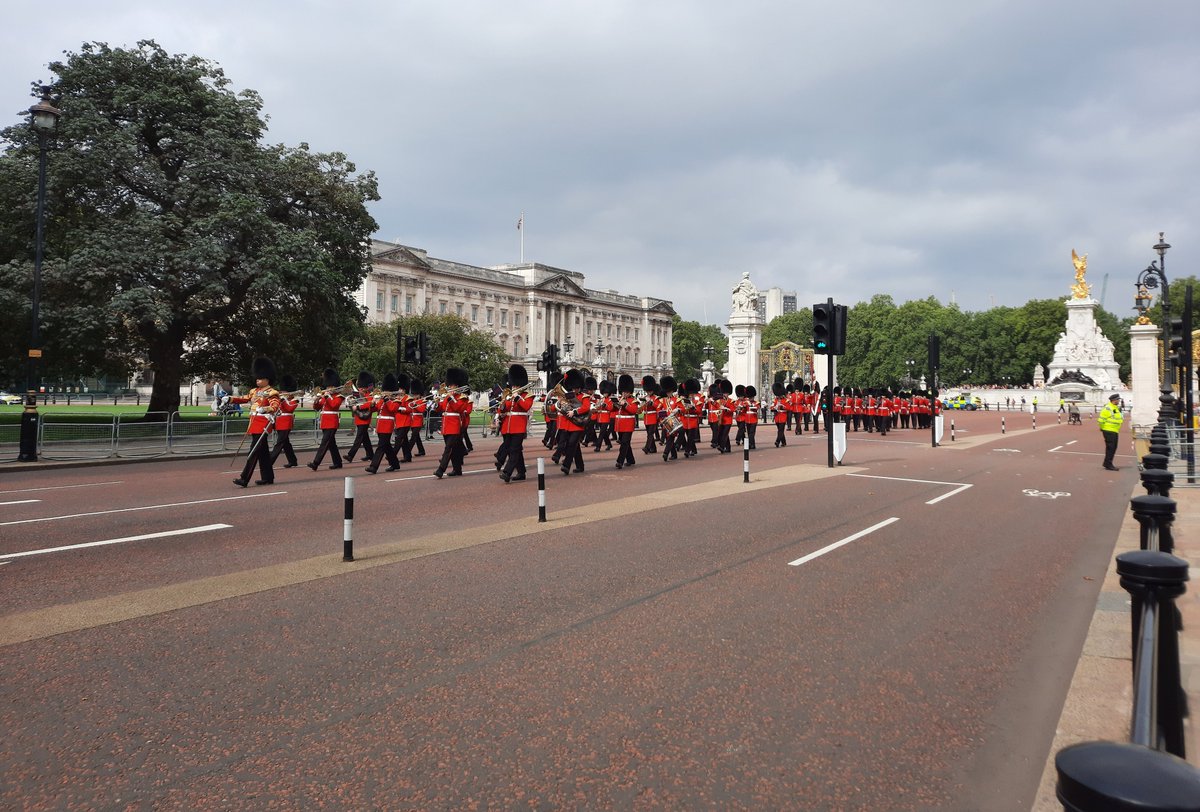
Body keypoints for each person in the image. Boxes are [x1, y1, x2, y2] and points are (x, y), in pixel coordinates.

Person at [230, 357, 281, 487]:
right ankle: (268, 477)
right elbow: (244, 399)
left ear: (267, 378)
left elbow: (275, 407)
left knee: (253, 452)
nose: (257, 379)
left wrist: (264, 409)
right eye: (257, 377)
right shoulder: (254, 391)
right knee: (263, 453)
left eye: (260, 377)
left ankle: (244, 478)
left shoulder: (272, 392)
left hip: (263, 425)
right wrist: (229, 399)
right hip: (254, 423)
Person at [497, 364, 534, 483]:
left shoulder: (527, 395)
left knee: (514, 450)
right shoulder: (509, 395)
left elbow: (526, 407)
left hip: (519, 426)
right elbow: (503, 409)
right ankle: (521, 472)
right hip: (507, 426)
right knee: (514, 450)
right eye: (513, 384)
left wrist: (517, 397)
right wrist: (502, 405)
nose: (514, 387)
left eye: (516, 384)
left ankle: (507, 472)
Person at [433, 368, 472, 479]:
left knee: (448, 449)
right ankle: (457, 469)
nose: (450, 387)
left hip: (454, 425)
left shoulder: (462, 397)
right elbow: (441, 408)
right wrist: (436, 403)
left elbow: (458, 408)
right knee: (453, 449)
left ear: (458, 386)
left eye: (452, 386)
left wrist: (451, 398)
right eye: (450, 385)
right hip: (446, 425)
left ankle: (441, 469)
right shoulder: (448, 397)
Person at [308, 368, 346, 470]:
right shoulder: (325, 396)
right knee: (331, 444)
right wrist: (316, 400)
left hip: (332, 422)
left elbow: (334, 405)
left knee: (324, 443)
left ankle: (315, 463)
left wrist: (328, 396)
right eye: (328, 386)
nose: (329, 388)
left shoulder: (339, 396)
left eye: (331, 386)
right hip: (324, 422)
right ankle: (338, 462)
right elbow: (317, 408)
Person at [365, 373, 403, 474]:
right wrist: (372, 404)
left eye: (386, 391)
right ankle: (395, 464)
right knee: (387, 447)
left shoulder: (396, 401)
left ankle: (373, 466)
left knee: (381, 446)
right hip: (380, 425)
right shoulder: (382, 400)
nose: (384, 392)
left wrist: (386, 400)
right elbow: (375, 409)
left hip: (387, 425)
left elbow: (392, 409)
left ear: (391, 392)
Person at [270, 374, 300, 469]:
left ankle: (269, 462)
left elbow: (289, 408)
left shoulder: (294, 400)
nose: (282, 392)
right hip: (278, 422)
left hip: (286, 423)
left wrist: (284, 400)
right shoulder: (279, 398)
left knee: (279, 443)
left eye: (284, 391)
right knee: (285, 443)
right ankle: (293, 461)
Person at [346, 371, 376, 462]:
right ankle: (370, 455)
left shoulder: (370, 395)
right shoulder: (358, 395)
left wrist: (358, 406)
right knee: (365, 439)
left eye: (362, 387)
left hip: (365, 419)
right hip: (359, 418)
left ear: (366, 387)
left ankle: (350, 455)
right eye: (360, 387)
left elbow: (369, 404)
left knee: (359, 439)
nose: (360, 389)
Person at [1098, 393, 1124, 470]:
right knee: (1111, 447)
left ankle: (1107, 463)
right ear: (1114, 400)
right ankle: (1108, 464)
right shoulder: (1108, 408)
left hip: (1114, 430)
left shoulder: (1114, 407)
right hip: (1109, 430)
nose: (1119, 401)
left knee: (1112, 447)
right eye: (1118, 400)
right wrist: (1102, 428)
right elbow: (1101, 420)